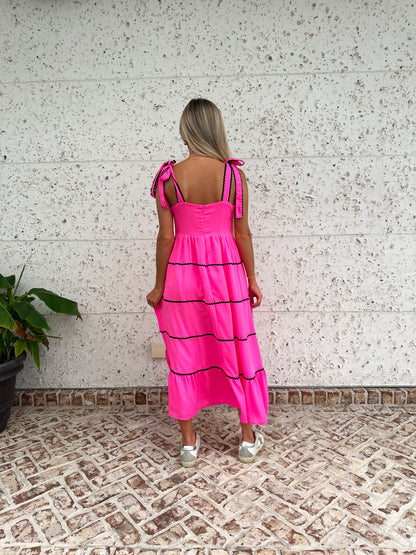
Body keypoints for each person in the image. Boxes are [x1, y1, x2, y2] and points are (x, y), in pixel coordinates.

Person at [146, 98, 269, 467]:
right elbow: (242, 234)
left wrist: (158, 286)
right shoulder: (234, 176)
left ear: (186, 129)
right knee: (237, 348)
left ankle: (188, 445)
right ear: (216, 129)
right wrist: (251, 278)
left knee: (184, 354)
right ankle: (247, 440)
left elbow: (166, 238)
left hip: (182, 275)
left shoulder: (167, 177)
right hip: (227, 274)